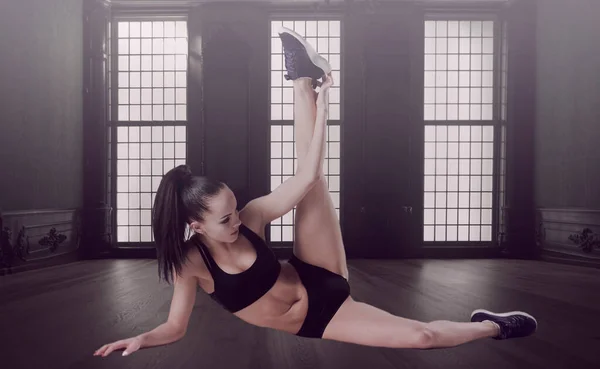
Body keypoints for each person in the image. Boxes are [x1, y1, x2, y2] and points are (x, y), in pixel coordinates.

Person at [94, 26, 537, 358]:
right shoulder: (190, 263)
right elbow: (175, 327)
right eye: (225, 219)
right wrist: (142, 338)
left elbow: (305, 176)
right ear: (196, 225)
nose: (238, 220)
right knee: (421, 336)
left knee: (312, 183)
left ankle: (300, 79)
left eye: (235, 209)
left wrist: (326, 107)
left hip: (317, 274)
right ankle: (492, 327)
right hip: (318, 318)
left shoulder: (250, 218)